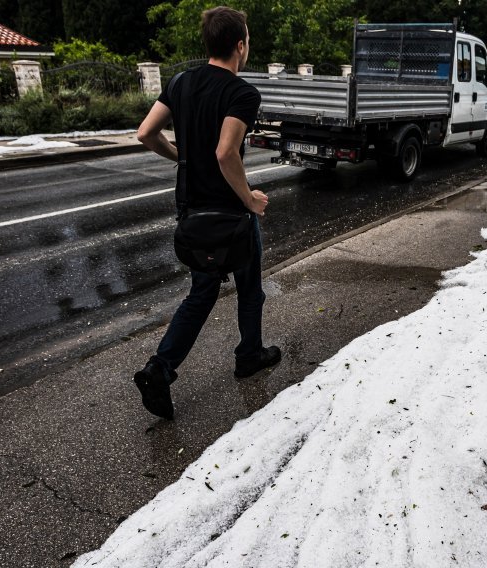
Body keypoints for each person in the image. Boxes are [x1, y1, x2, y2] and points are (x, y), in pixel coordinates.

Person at [133, 6, 281, 420]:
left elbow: (146, 133)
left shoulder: (180, 82)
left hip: (193, 213)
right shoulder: (241, 93)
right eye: (247, 40)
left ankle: (159, 370)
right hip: (230, 216)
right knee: (250, 288)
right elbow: (225, 152)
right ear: (240, 45)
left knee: (202, 293)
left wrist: (180, 156)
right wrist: (250, 200)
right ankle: (249, 355)